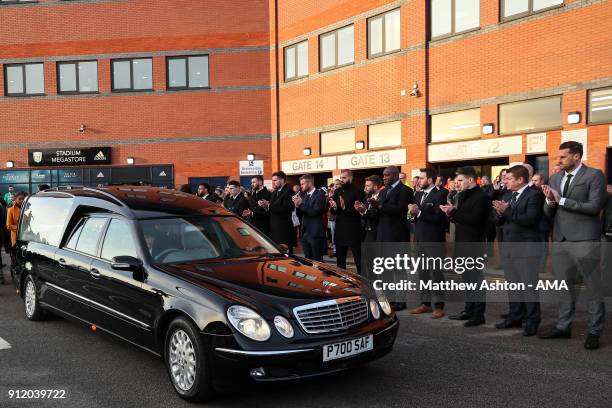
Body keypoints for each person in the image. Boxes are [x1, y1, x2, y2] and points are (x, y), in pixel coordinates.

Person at [540, 141, 606, 350]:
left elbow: (595, 207)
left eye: (562, 157)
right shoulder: (555, 177)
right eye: (558, 157)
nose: (558, 161)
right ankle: (563, 326)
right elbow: (548, 211)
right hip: (560, 240)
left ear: (576, 156)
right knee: (564, 287)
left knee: (593, 287)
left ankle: (594, 331)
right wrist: (550, 202)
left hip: (585, 240)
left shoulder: (594, 175)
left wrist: (562, 201)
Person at [492, 165, 544, 336]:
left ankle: (532, 321)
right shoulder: (507, 194)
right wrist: (499, 213)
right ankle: (515, 316)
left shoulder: (534, 194)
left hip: (526, 249)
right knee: (513, 286)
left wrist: (506, 211)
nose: (504, 181)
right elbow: (498, 221)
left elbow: (529, 220)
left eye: (509, 179)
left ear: (520, 180)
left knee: (529, 287)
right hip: (508, 248)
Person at [441, 167, 490, 327]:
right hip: (461, 243)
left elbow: (474, 219)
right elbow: (461, 219)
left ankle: (478, 315)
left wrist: (454, 212)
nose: (457, 184)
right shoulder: (461, 195)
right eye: (457, 181)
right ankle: (468, 310)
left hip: (474, 245)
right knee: (467, 279)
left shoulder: (482, 196)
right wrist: (450, 214)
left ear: (470, 180)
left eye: (460, 181)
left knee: (476, 280)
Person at [370, 166, 414, 310]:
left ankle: (401, 301)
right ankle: (391, 298)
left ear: (395, 175)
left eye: (387, 175)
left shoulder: (406, 190)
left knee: (399, 270)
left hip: (397, 237)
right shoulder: (383, 191)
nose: (384, 178)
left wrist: (380, 205)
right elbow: (379, 214)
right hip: (383, 237)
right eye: (383, 175)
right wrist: (370, 208)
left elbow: (400, 210)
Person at [408, 168, 447, 318]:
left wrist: (418, 213)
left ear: (430, 180)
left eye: (422, 178)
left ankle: (439, 306)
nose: (418, 181)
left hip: (434, 240)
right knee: (423, 273)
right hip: (419, 239)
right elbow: (413, 217)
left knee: (436, 274)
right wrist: (411, 214)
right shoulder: (417, 194)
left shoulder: (440, 194)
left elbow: (439, 219)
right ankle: (425, 304)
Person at [329, 170, 366, 274]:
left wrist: (345, 207)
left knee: (358, 259)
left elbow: (360, 210)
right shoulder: (338, 191)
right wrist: (335, 208)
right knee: (340, 261)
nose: (342, 180)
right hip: (340, 228)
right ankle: (343, 282)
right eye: (341, 178)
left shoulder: (358, 191)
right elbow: (334, 211)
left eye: (344, 178)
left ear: (350, 178)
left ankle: (362, 282)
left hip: (353, 229)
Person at [260, 171, 296, 253]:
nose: (273, 183)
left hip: (284, 230)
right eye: (272, 180)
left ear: (282, 180)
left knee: (286, 257)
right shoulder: (274, 192)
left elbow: (285, 209)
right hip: (274, 229)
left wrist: (269, 206)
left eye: (275, 180)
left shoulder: (289, 191)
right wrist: (265, 207)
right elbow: (272, 209)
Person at [293, 174, 326, 261]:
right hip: (304, 232)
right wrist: (296, 205)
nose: (301, 186)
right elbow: (300, 214)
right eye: (301, 184)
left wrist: (300, 204)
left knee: (317, 261)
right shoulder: (303, 196)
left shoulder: (320, 195)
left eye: (303, 184)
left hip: (315, 232)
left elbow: (314, 212)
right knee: (307, 260)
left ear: (310, 183)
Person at [355, 175, 382, 243]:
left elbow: (376, 215)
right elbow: (366, 215)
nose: (365, 188)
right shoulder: (368, 197)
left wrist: (364, 211)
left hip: (378, 233)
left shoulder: (382, 197)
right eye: (365, 185)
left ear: (375, 187)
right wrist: (361, 210)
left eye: (368, 186)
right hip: (367, 231)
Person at [6, 192, 27, 275]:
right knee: (16, 259)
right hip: (17, 238)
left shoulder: (29, 208)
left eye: (23, 199)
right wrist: (20, 228)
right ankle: (15, 276)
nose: (21, 200)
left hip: (29, 237)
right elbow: (8, 226)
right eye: (20, 199)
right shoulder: (11, 210)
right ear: (16, 199)